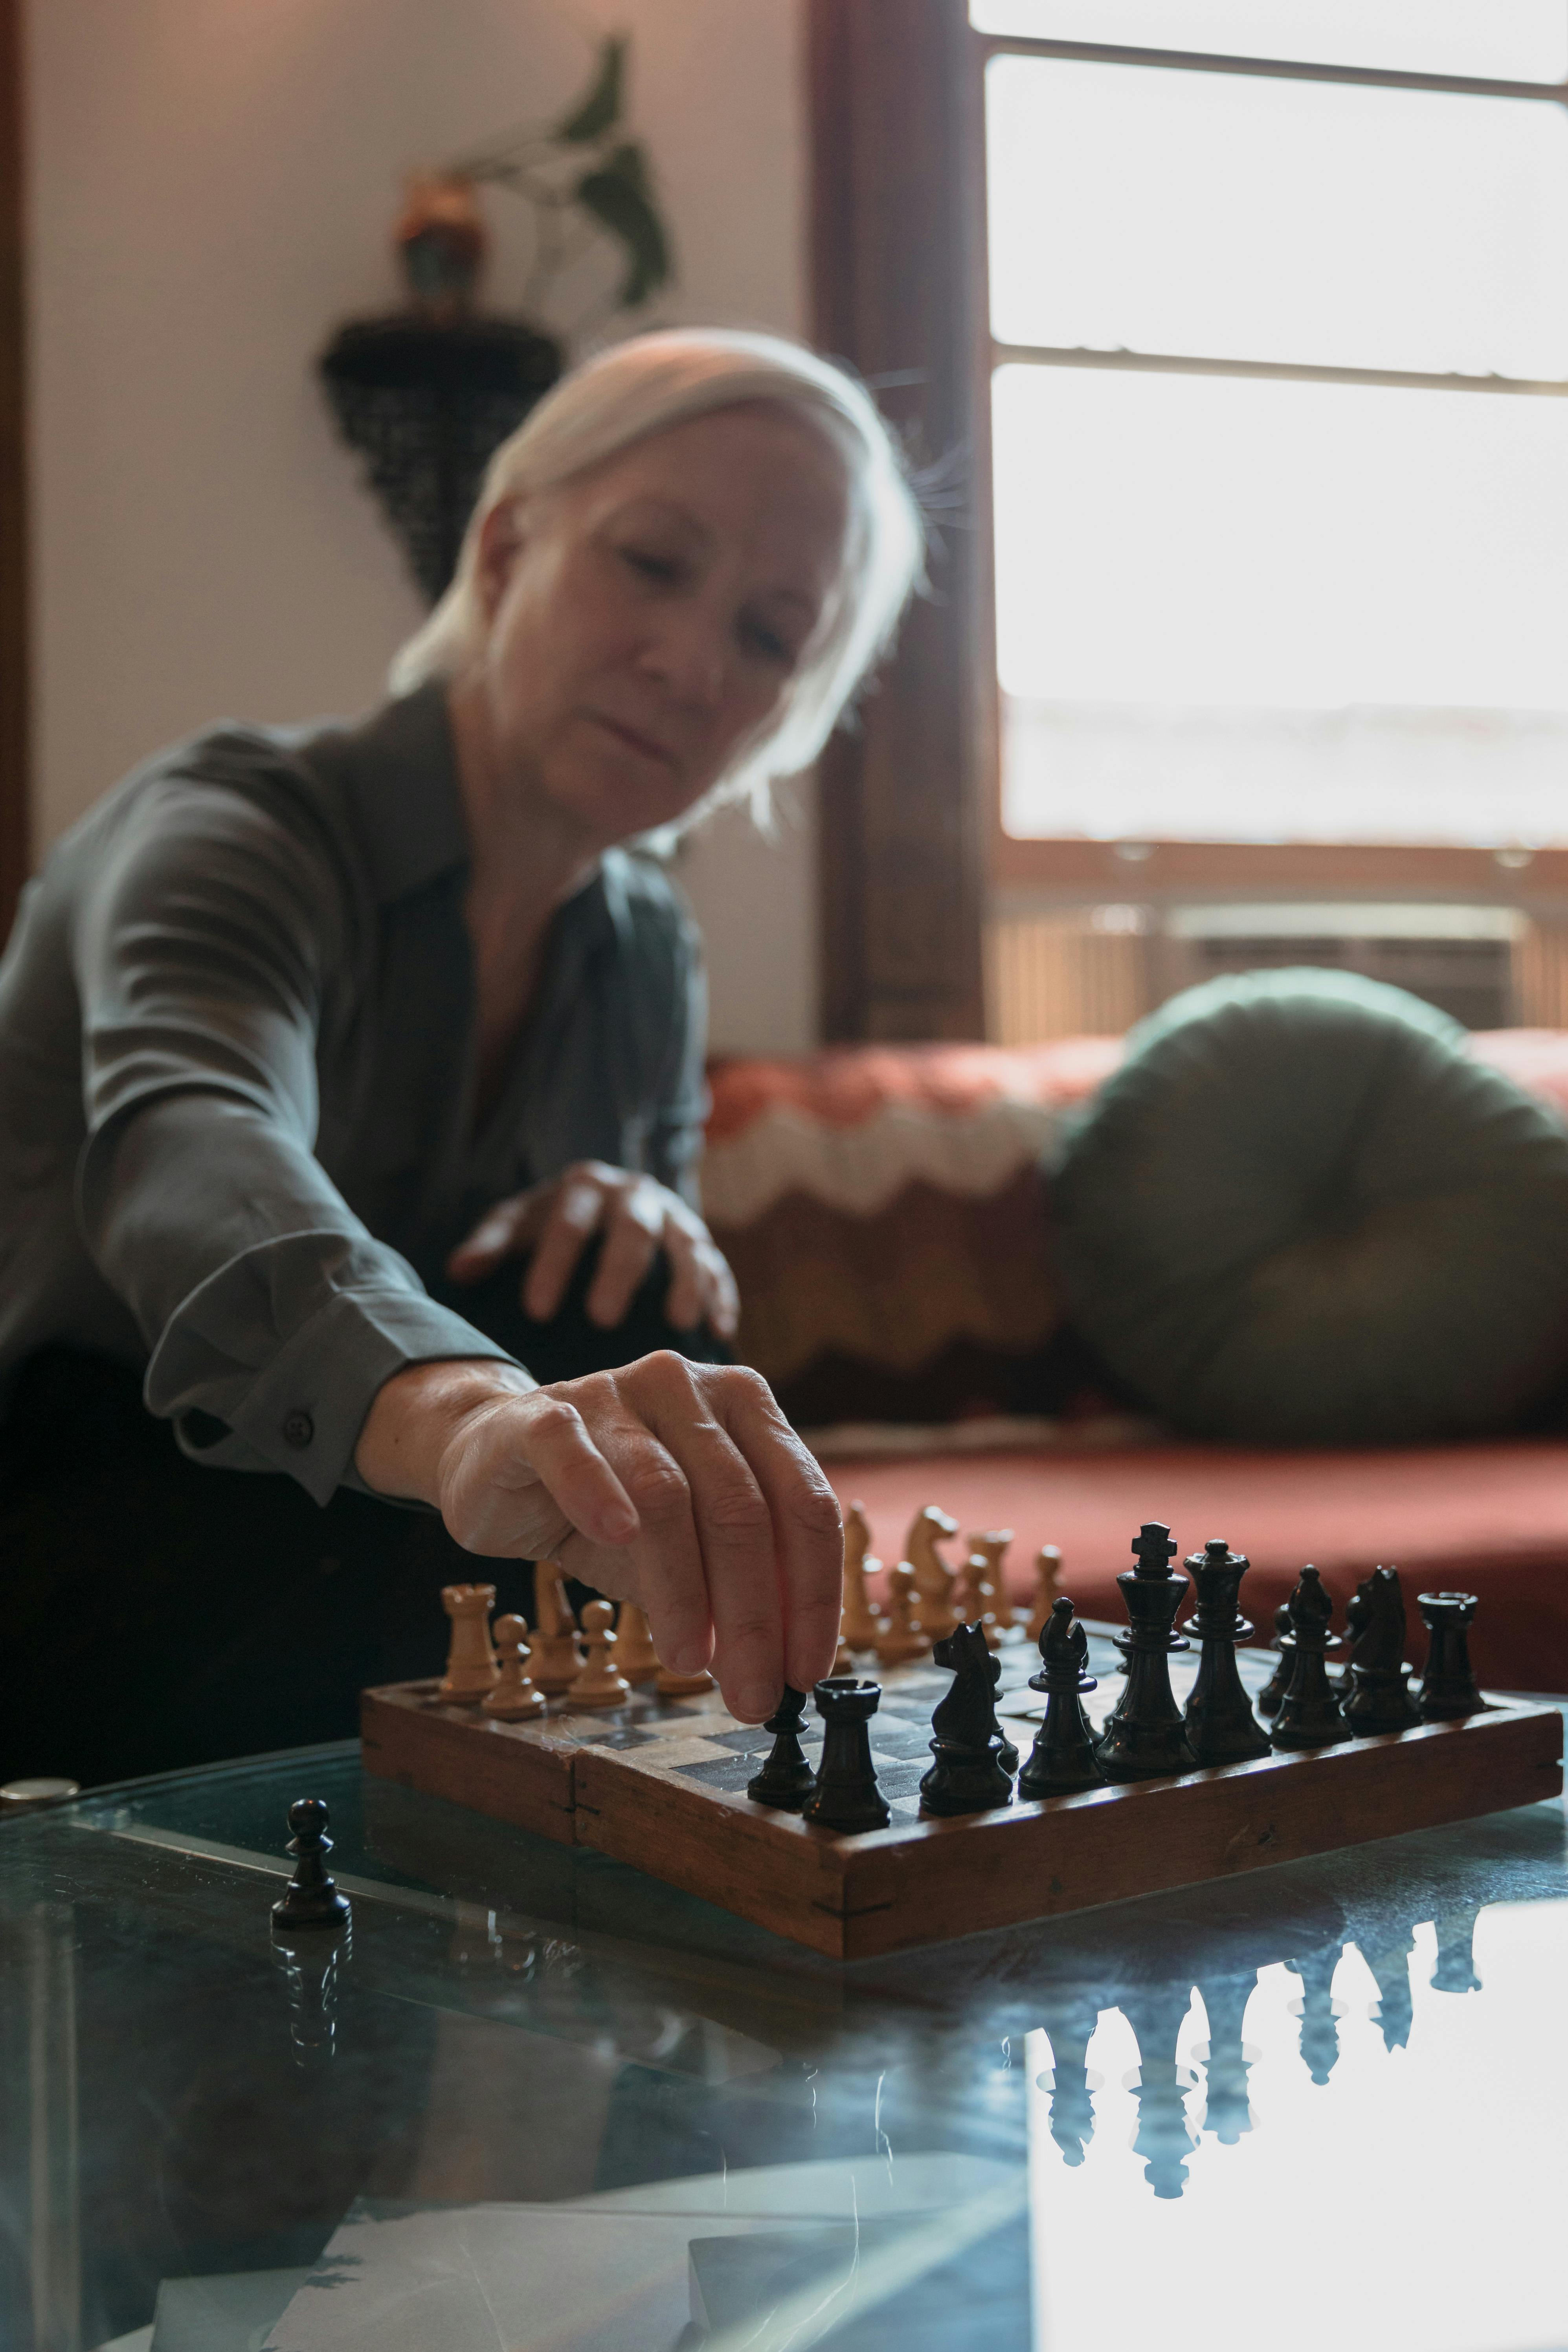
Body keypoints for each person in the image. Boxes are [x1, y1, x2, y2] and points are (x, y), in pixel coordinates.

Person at [0, 329, 924, 1782]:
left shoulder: (645, 957)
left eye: (766, 636)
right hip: (84, 1534)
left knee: (649, 1313)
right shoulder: (238, 832)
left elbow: (616, 1376)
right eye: (652, 563)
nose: (689, 662)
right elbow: (194, 1144)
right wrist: (467, 1416)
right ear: (504, 552)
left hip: (384, 1601)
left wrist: (640, 1223)